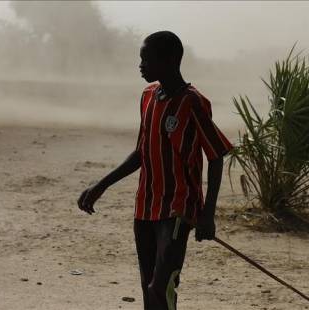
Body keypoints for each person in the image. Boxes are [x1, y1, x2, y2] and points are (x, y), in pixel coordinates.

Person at [77, 31, 233, 310]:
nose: (141, 66)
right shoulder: (148, 96)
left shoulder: (193, 102)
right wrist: (101, 186)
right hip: (145, 207)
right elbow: (141, 152)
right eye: (141, 59)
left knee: (161, 286)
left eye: (147, 59)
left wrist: (208, 214)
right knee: (148, 289)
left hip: (178, 208)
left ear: (171, 60)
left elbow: (216, 155)